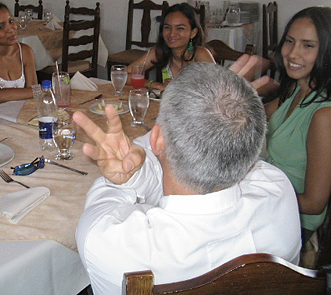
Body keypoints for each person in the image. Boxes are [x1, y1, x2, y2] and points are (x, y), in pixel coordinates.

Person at [73, 63, 301, 295]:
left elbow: (111, 194)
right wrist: (231, 104)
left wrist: (142, 159)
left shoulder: (107, 239)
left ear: (157, 139)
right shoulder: (278, 189)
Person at [263, 7, 331, 243]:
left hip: (292, 221)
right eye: (290, 41)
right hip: (269, 199)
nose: (292, 54)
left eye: (308, 46)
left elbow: (314, 204)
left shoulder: (324, 116)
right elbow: (255, 115)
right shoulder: (296, 88)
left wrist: (253, 196)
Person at [127, 3, 214, 92]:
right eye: (167, 27)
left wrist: (180, 87)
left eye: (180, 28)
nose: (172, 34)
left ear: (193, 33)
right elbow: (125, 75)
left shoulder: (200, 54)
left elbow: (218, 88)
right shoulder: (159, 51)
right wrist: (153, 84)